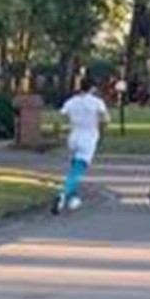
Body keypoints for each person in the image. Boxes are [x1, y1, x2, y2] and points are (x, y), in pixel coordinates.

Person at [52, 75, 110, 213]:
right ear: (92, 88)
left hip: (74, 137)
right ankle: (63, 194)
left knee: (73, 169)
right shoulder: (97, 102)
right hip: (88, 138)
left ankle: (73, 198)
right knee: (77, 172)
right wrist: (101, 132)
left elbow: (59, 118)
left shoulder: (71, 102)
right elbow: (105, 119)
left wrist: (59, 134)